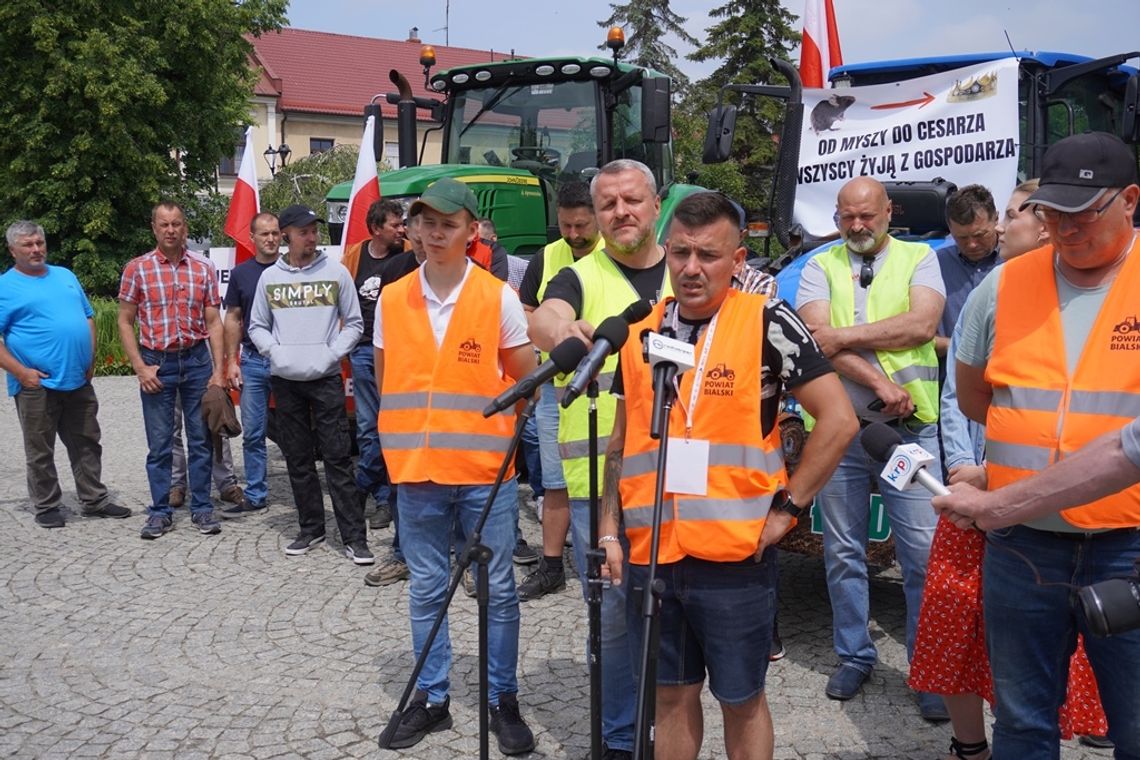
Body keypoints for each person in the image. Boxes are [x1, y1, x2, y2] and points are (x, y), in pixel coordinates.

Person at [599, 191, 856, 760]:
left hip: (735, 559)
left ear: (738, 261)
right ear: (666, 252)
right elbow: (620, 444)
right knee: (670, 697)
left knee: (741, 701)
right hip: (652, 552)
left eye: (708, 255)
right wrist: (610, 530)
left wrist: (789, 510)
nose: (692, 268)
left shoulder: (767, 322)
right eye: (681, 253)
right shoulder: (639, 330)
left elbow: (838, 421)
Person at [949, 131, 1140, 757]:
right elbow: (976, 395)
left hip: (1128, 547)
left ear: (1130, 200)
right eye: (1053, 213)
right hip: (1022, 547)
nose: (1066, 227)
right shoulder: (1004, 286)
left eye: (1085, 213)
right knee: (1025, 720)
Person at [910, 180, 1108, 760]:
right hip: (975, 496)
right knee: (958, 622)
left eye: (1014, 213)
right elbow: (957, 394)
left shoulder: (1092, 300)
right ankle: (970, 743)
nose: (1001, 227)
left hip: (1055, 508)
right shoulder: (992, 293)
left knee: (1056, 638)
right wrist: (966, 467)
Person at [374, 178, 537, 754]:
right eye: (426, 222)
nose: (435, 233)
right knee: (426, 588)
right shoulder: (393, 298)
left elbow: (527, 382)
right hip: (416, 469)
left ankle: (502, 700)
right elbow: (387, 378)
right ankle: (433, 699)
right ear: (413, 229)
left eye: (448, 223)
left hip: (483, 472)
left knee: (497, 590)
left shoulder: (496, 297)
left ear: (471, 231)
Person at [528, 159, 672, 759]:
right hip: (597, 482)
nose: (621, 213)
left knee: (672, 612)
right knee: (614, 617)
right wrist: (566, 329)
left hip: (679, 477)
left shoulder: (687, 269)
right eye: (608, 203)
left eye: (631, 200)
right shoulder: (580, 274)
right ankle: (620, 739)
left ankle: (668, 733)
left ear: (655, 201)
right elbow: (545, 315)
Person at [796, 177, 947, 717]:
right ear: (836, 216)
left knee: (923, 556)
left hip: (910, 430)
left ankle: (928, 668)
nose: (857, 226)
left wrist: (842, 337)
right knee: (842, 552)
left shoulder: (920, 257)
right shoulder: (819, 264)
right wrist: (879, 381)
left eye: (867, 216)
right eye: (847, 217)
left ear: (889, 211)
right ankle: (855, 654)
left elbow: (921, 324)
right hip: (842, 430)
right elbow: (815, 339)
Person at [247, 204, 371, 564]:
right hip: (286, 381)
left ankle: (354, 537)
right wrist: (276, 354)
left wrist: (332, 354)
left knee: (337, 458)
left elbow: (354, 324)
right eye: (304, 231)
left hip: (326, 378)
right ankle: (311, 528)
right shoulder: (270, 278)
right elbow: (256, 325)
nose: (312, 236)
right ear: (286, 234)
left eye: (314, 230)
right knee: (298, 459)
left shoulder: (336, 273)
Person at [0, 221, 130, 528]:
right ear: (12, 250)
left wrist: (91, 358)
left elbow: (87, 316)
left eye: (39, 243)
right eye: (28, 245)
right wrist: (21, 372)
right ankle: (46, 505)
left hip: (77, 379)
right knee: (40, 447)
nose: (35, 249)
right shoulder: (5, 287)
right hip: (36, 383)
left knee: (87, 441)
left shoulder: (65, 275)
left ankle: (94, 499)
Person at [516, 180, 607, 601]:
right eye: (566, 226)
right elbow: (529, 310)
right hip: (556, 390)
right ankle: (552, 565)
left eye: (581, 226)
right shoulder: (547, 257)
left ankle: (606, 561)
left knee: (605, 481)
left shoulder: (612, 256)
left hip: (606, 391)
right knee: (555, 481)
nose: (573, 235)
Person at [118, 201, 226, 539]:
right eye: (164, 224)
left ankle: (202, 508)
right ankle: (160, 511)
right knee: (161, 443)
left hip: (196, 360)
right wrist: (139, 367)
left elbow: (214, 322)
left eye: (176, 224)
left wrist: (218, 371)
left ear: (185, 228)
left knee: (201, 439)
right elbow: (125, 320)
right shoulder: (137, 268)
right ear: (154, 228)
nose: (170, 230)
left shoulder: (203, 268)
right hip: (157, 363)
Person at [339, 199, 408, 531]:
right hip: (364, 351)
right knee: (368, 429)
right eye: (395, 225)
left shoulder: (409, 255)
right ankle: (381, 499)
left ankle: (383, 492)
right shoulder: (354, 256)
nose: (402, 230)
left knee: (397, 428)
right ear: (376, 229)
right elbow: (341, 299)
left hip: (402, 353)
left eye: (402, 224)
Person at [221, 211, 282, 516]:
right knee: (254, 432)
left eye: (275, 233)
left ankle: (302, 492)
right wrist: (232, 361)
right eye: (264, 234)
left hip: (288, 364)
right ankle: (256, 494)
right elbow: (232, 318)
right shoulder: (242, 274)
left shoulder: (293, 270)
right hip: (254, 362)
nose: (271, 238)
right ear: (253, 238)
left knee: (296, 431)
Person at [934, 185, 1000, 364]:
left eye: (980, 235)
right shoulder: (934, 264)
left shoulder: (1016, 259)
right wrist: (956, 347)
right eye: (962, 238)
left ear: (996, 219)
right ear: (949, 228)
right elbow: (920, 334)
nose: (972, 244)